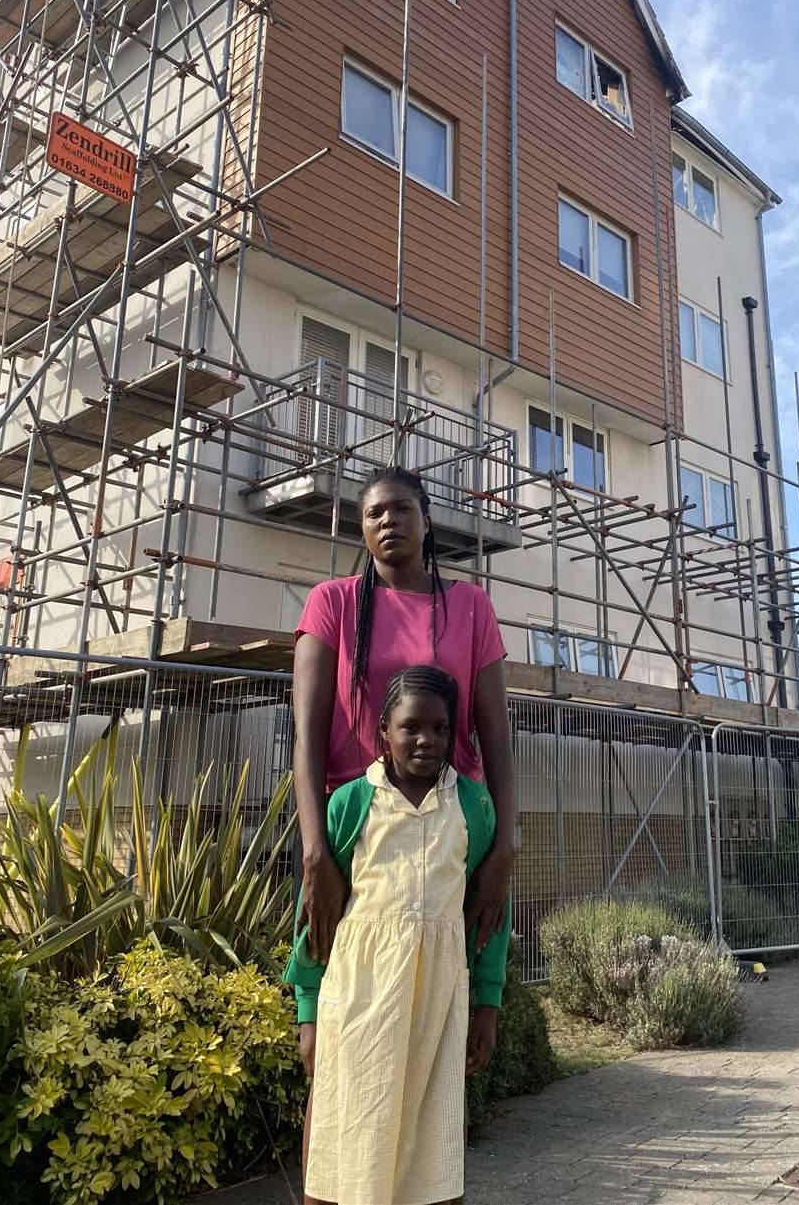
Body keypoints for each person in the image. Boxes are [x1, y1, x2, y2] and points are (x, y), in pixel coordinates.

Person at [284, 665, 509, 1205]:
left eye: (439, 728)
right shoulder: (350, 804)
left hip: (437, 1005)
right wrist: (309, 1013)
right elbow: (315, 917)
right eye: (411, 727)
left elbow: (487, 917)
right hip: (359, 1002)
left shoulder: (474, 807)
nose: (426, 740)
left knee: (434, 1149)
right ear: (384, 728)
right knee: (347, 1142)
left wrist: (488, 1006)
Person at [291, 464, 515, 997]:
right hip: (358, 826)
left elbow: (497, 736)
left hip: (451, 823)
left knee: (443, 992)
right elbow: (307, 734)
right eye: (374, 513)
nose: (389, 520)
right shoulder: (333, 603)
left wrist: (506, 841)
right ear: (362, 530)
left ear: (428, 521)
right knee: (346, 991)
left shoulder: (470, 606)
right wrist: (316, 849)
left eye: (402, 509)